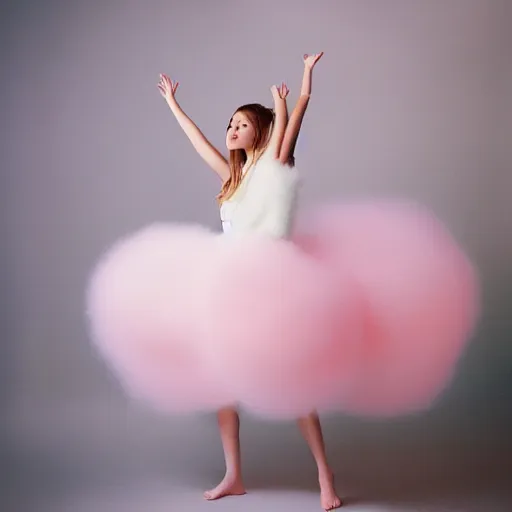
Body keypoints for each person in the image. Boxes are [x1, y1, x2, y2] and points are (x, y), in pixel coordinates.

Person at [157, 52, 343, 511]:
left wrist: (296, 88)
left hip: (272, 290)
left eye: (242, 123)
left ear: (260, 129)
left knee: (295, 385)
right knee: (223, 385)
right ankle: (234, 475)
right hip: (233, 289)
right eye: (230, 123)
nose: (232, 129)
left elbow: (294, 122)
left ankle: (325, 475)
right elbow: (202, 146)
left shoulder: (273, 169)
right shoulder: (232, 178)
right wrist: (174, 106)